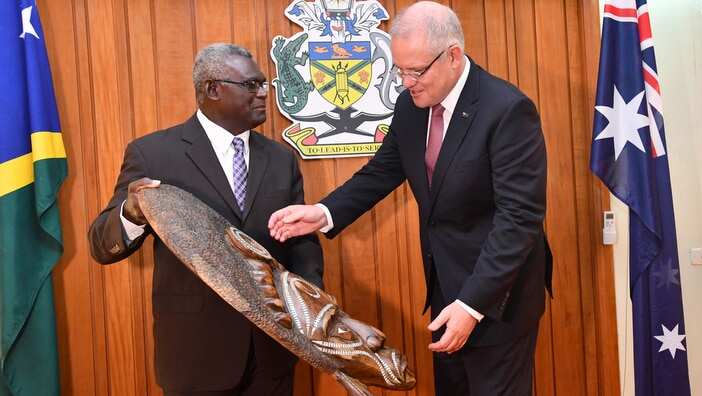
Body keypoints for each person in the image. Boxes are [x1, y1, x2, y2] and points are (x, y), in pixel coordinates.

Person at [268, 2, 552, 395]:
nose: (406, 81)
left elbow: (518, 220)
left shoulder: (506, 110)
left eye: (416, 71)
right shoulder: (411, 106)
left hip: (498, 296)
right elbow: (383, 170)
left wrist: (472, 305)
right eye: (400, 70)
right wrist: (322, 212)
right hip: (445, 286)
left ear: (453, 55)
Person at [88, 43, 323, 396]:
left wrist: (312, 313)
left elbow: (302, 246)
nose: (263, 94)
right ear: (212, 89)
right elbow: (101, 244)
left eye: (264, 85)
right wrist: (132, 213)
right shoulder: (153, 154)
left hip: (273, 356)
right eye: (251, 85)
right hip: (196, 358)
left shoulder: (281, 159)